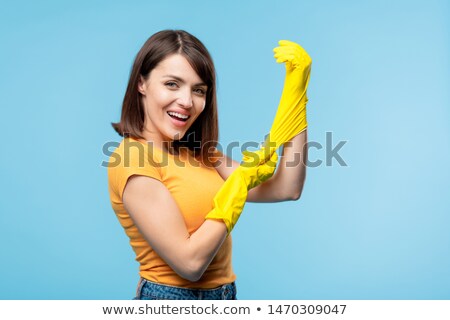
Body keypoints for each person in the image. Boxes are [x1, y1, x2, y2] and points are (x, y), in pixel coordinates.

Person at [108, 29, 310, 300]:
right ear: (141, 83)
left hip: (225, 295)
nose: (187, 101)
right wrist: (235, 189)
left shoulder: (201, 154)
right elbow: (190, 263)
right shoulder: (133, 159)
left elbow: (286, 188)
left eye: (198, 90)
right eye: (172, 84)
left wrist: (295, 100)